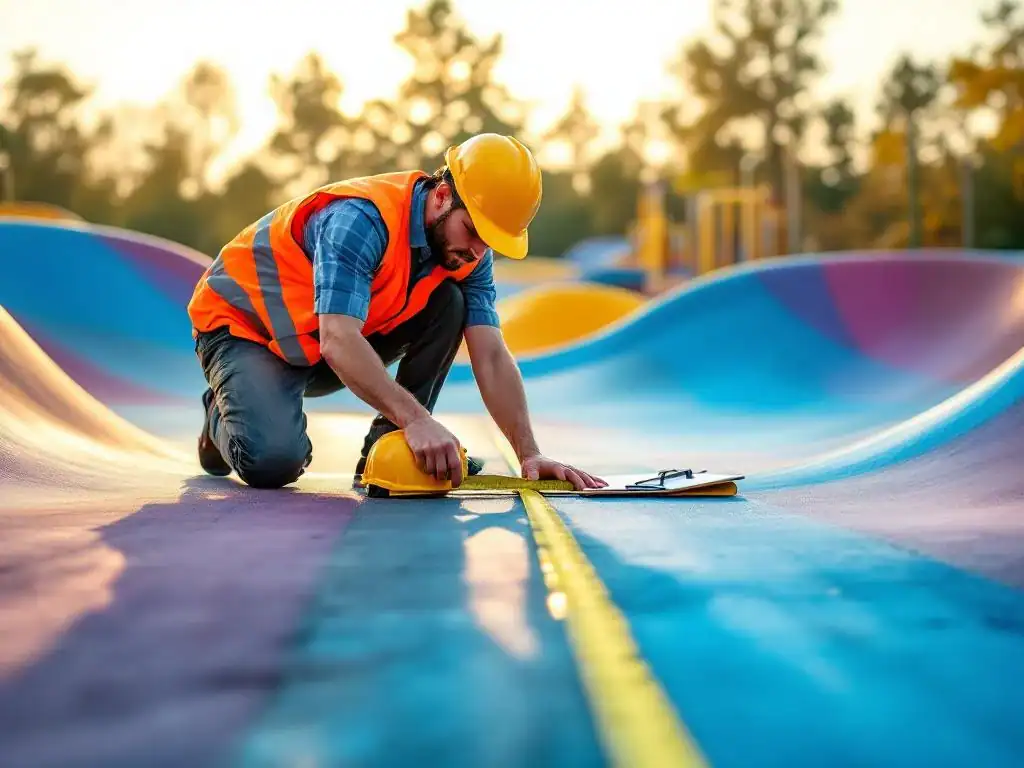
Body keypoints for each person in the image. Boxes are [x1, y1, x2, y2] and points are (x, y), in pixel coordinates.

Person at [187, 133, 607, 492]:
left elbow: (492, 355)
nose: (478, 251)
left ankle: (386, 447)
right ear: (442, 195)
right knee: (274, 463)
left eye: (491, 241)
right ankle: (220, 414)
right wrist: (418, 418)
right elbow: (339, 339)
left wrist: (529, 453)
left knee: (451, 302)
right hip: (245, 331)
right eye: (475, 231)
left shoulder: (468, 253)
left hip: (318, 343)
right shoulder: (360, 220)